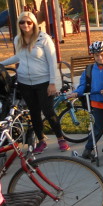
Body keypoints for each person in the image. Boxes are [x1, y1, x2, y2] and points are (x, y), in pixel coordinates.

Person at [0, 11, 70, 153]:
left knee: (49, 111)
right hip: (25, 82)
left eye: (29, 22)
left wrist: (52, 83)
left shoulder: (44, 38)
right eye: (22, 22)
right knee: (34, 113)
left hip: (43, 82)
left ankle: (61, 138)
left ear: (34, 23)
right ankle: (41, 140)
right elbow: (18, 57)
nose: (25, 25)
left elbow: (52, 62)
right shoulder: (18, 39)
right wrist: (1, 63)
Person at [68, 41, 103, 159]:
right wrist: (77, 92)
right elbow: (83, 85)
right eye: (96, 55)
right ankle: (88, 149)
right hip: (96, 102)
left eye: (102, 55)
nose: (100, 58)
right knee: (99, 127)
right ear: (93, 56)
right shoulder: (89, 69)